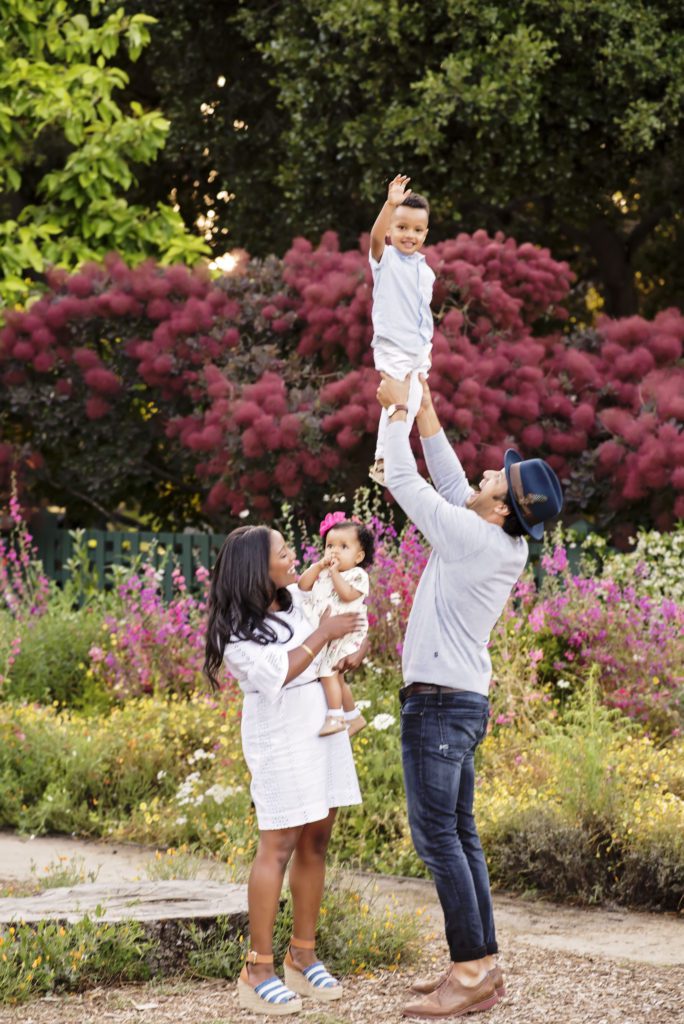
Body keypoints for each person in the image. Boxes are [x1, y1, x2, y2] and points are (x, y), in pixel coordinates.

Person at [376, 373, 563, 1019]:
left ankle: (472, 969)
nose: (488, 470)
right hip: (458, 701)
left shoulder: (475, 537)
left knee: (437, 838)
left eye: (497, 479)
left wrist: (392, 414)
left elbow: (405, 483)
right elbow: (454, 483)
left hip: (436, 704)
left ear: (502, 506)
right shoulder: (494, 534)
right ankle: (481, 964)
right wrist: (424, 409)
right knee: (459, 832)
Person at [204, 525, 366, 1016]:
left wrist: (345, 648)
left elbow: (336, 625)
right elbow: (281, 670)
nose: (295, 555)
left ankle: (303, 954)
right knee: (278, 845)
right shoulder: (234, 633)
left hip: (322, 731)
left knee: (317, 838)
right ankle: (257, 969)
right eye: (283, 552)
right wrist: (324, 636)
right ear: (258, 567)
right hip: (281, 741)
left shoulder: (295, 600)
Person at [368, 173, 435, 486]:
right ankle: (384, 458)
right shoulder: (387, 259)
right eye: (402, 227)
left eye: (417, 229)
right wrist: (390, 204)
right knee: (398, 398)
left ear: (425, 233)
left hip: (418, 347)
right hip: (392, 343)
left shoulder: (426, 270)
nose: (410, 234)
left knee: (416, 395)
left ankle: (392, 454)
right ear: (392, 229)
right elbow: (375, 238)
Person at [297, 512, 374, 737]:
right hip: (331, 631)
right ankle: (354, 716)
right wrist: (319, 567)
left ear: (358, 557)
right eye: (330, 546)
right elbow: (303, 585)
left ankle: (335, 717)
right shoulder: (323, 572)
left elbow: (347, 595)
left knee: (327, 672)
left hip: (346, 631)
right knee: (336, 676)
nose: (334, 551)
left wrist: (333, 573)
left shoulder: (357, 575)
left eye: (343, 547)